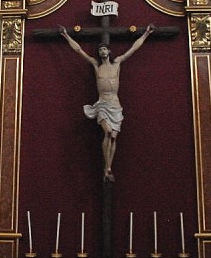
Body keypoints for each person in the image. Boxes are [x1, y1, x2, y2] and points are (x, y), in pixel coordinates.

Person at [59, 24, 154, 181]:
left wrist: (146, 34)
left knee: (114, 137)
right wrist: (66, 36)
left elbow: (133, 49)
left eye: (104, 49)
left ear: (109, 51)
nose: (102, 51)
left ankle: (108, 168)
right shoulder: (97, 66)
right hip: (102, 104)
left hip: (115, 105)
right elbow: (79, 51)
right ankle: (107, 167)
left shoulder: (117, 63)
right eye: (100, 50)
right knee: (108, 132)